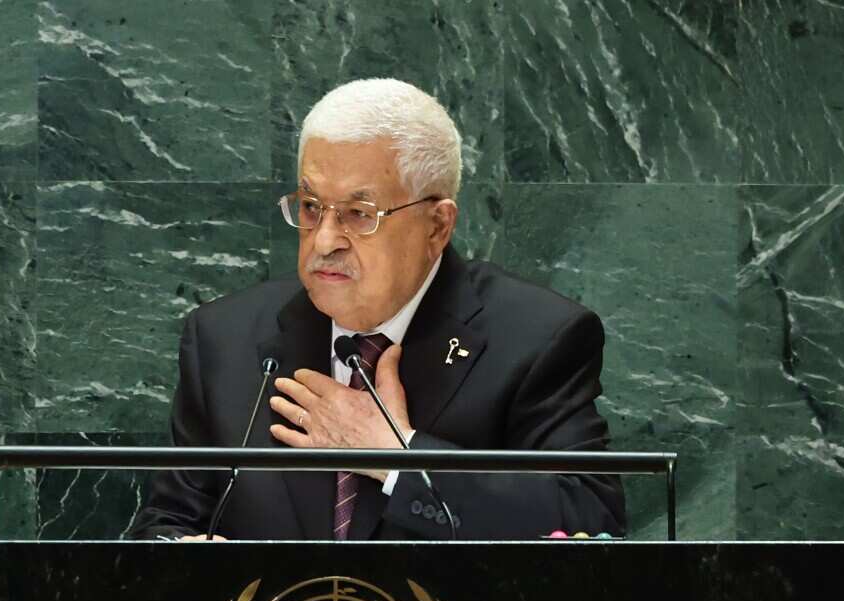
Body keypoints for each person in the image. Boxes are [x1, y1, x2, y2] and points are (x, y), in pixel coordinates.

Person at [129, 78, 625, 541]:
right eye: (310, 207)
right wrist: (191, 559)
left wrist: (399, 457)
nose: (324, 241)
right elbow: (168, 524)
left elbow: (590, 520)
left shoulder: (537, 338)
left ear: (437, 226)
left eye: (359, 215)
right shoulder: (224, 338)